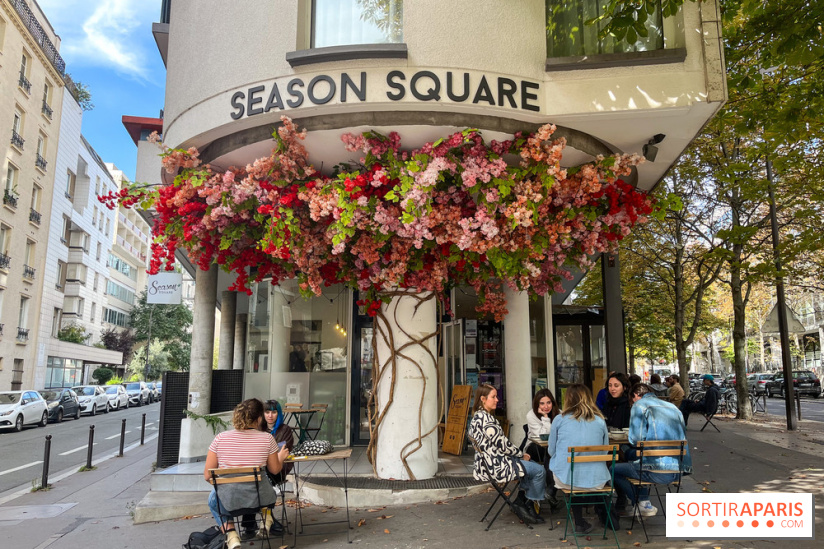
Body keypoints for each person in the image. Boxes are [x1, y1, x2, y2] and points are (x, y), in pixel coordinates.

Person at [204, 398, 290, 549]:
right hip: (259, 497)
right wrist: (281, 458)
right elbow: (275, 470)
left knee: (214, 499)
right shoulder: (267, 438)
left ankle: (231, 535)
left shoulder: (220, 438)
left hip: (229, 499)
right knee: (268, 491)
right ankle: (266, 517)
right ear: (259, 418)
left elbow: (207, 475)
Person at [468, 384, 546, 525]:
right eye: (493, 397)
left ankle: (522, 502)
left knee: (532, 467)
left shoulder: (477, 417)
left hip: (486, 465)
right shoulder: (487, 420)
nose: (497, 400)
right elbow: (503, 445)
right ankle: (528, 505)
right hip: (499, 466)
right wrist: (520, 454)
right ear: (483, 399)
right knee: (540, 470)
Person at [612, 383, 692, 517]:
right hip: (677, 469)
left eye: (632, 401)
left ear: (636, 396)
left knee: (615, 466)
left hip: (654, 469)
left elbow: (636, 440)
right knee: (635, 456)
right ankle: (644, 502)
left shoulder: (640, 405)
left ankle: (641, 501)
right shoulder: (673, 407)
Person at [548, 384, 615, 534]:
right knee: (580, 472)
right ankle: (593, 516)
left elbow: (551, 451)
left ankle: (579, 521)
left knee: (567, 471)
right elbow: (604, 451)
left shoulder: (559, 419)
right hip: (597, 481)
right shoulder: (599, 420)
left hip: (567, 480)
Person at [240, 399, 295, 539]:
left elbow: (282, 453)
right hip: (260, 469)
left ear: (279, 413)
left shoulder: (285, 430)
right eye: (267, 412)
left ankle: (250, 524)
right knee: (254, 481)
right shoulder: (258, 429)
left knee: (256, 480)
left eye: (274, 412)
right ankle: (266, 520)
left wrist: (268, 456)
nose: (270, 415)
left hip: (278, 468)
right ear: (262, 414)